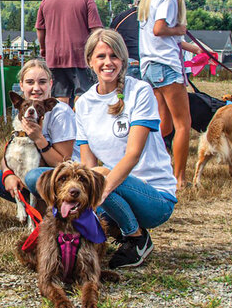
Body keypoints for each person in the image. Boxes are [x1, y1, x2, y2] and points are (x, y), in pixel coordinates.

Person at [76, 28, 177, 268]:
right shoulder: (83, 103)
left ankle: (137, 238)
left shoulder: (140, 91)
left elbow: (132, 155)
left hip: (153, 197)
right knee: (86, 178)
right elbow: (86, 163)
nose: (108, 62)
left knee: (98, 176)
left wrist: (97, 193)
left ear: (123, 59)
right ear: (90, 61)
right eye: (101, 56)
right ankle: (118, 229)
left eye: (114, 56)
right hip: (113, 194)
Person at [137, 0, 202, 190]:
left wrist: (185, 44)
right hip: (166, 66)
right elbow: (159, 28)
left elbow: (153, 34)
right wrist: (180, 29)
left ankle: (148, 167)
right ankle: (179, 178)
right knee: (183, 123)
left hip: (150, 66)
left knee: (162, 125)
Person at [0, 59, 76, 209]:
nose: (36, 88)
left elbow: (64, 164)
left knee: (33, 177)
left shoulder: (60, 113)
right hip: (40, 172)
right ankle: (36, 212)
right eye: (30, 82)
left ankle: (55, 211)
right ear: (21, 85)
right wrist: (8, 174)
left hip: (66, 177)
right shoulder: (24, 113)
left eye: (42, 82)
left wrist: (38, 138)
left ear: (51, 84)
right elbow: (9, 157)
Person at [36, 0, 103, 105]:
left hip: (54, 55)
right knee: (83, 94)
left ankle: (62, 124)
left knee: (60, 96)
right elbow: (96, 28)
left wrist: (43, 49)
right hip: (80, 55)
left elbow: (40, 29)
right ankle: (78, 124)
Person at [109, 0, 146, 79]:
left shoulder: (121, 17)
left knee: (125, 92)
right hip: (145, 61)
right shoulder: (151, 17)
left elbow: (111, 37)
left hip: (126, 60)